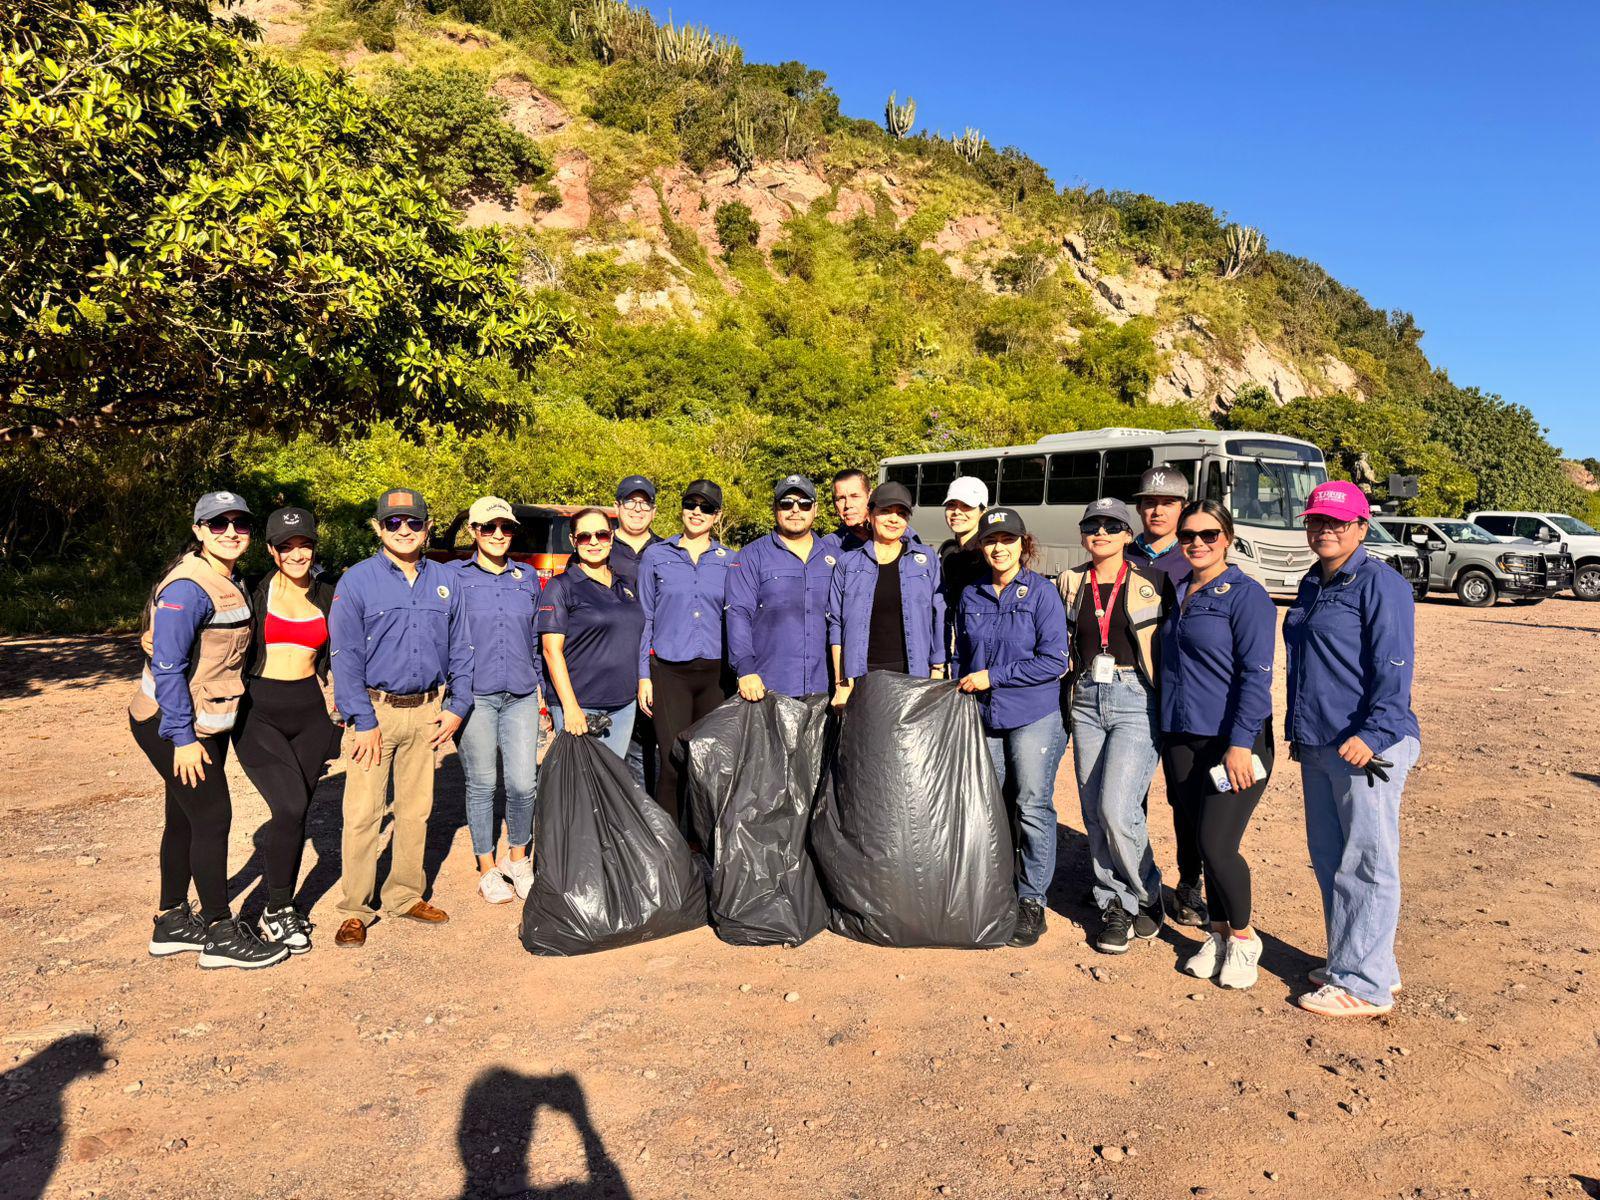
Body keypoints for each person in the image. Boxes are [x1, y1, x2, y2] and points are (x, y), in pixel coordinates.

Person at [130, 491, 289, 969]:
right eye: (218, 525)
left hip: (203, 721)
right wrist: (181, 738)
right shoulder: (189, 587)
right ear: (199, 530)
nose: (231, 533)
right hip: (174, 722)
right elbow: (168, 666)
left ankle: (172, 920)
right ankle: (220, 930)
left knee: (183, 817)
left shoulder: (228, 578)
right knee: (213, 817)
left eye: (240, 524)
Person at [1284, 482, 1421, 1018]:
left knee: (1366, 862)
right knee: (1330, 859)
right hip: (1320, 742)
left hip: (1366, 744)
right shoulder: (1312, 582)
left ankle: (1362, 985)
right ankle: (1362, 959)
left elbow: (1395, 667)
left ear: (1362, 527)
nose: (1324, 530)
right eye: (1316, 521)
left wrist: (1374, 734)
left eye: (1337, 523)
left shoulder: (1380, 584)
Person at [329, 488, 474, 948]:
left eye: (413, 522)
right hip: (374, 713)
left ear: (427, 527)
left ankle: (406, 895)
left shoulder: (447, 581)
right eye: (394, 523)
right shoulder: (357, 582)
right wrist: (361, 718)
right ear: (378, 528)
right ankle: (356, 908)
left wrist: (456, 707)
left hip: (428, 712)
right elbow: (344, 655)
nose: (405, 530)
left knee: (416, 811)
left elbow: (463, 649)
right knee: (362, 814)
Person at [1158, 501, 1277, 989]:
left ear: (1227, 537)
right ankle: (1220, 933)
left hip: (1232, 741)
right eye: (1188, 535)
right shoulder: (1179, 589)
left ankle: (1246, 939)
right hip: (1182, 736)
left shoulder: (1246, 596)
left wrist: (1240, 744)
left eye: (1209, 534)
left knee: (1218, 844)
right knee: (1196, 839)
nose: (1197, 543)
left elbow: (1256, 675)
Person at [953, 508, 1071, 948]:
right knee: (990, 805)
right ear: (981, 547)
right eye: (990, 540)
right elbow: (962, 654)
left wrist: (994, 676)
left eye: (1008, 539)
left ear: (1024, 544)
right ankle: (997, 890)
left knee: (1031, 805)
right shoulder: (972, 595)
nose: (999, 547)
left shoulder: (1041, 593)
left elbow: (1053, 660)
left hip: (1033, 714)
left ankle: (1031, 900)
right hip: (985, 714)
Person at [1057, 496, 1166, 955]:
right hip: (1085, 697)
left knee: (1118, 807)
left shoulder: (1153, 581)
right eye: (1092, 525)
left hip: (1135, 699)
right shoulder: (1070, 581)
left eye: (1111, 525)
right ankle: (1113, 904)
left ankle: (1147, 892)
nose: (1100, 533)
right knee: (1091, 807)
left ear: (1127, 534)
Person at [235, 506, 341, 954]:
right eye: (286, 546)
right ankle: (277, 909)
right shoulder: (251, 593)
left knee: (295, 814)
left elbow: (352, 645)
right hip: (258, 713)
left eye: (304, 545)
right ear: (271, 550)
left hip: (311, 718)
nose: (297, 554)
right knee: (290, 804)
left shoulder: (329, 594)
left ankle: (282, 907)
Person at [451, 497, 544, 906]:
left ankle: (517, 859)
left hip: (522, 692)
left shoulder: (527, 578)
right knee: (483, 783)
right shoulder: (454, 577)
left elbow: (538, 639)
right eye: (489, 528)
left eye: (505, 528)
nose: (498, 535)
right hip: (477, 696)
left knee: (524, 783)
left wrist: (542, 689)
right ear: (474, 531)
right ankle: (487, 868)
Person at [637, 480, 732, 823]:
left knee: (708, 762)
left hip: (715, 675)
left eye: (706, 507)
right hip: (669, 672)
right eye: (691, 505)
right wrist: (643, 675)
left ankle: (702, 841)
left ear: (716, 516)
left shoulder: (729, 561)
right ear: (681, 509)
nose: (697, 512)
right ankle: (670, 846)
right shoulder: (657, 556)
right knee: (673, 761)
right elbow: (645, 617)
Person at [827, 481, 947, 706]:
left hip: (913, 675)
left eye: (901, 513)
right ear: (870, 514)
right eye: (885, 511)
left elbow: (938, 615)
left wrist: (937, 673)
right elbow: (836, 624)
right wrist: (841, 684)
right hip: (862, 676)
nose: (894, 519)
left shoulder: (925, 560)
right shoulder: (847, 563)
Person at [540, 507, 645, 760]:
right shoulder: (561, 587)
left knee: (609, 785)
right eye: (585, 536)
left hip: (623, 705)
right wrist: (570, 707)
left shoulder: (626, 586)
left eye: (602, 535)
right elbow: (550, 651)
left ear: (611, 538)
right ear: (573, 542)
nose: (594, 542)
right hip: (581, 704)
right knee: (580, 787)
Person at [726, 475, 839, 701]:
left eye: (804, 504)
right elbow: (738, 613)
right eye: (787, 503)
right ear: (775, 508)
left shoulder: (836, 557)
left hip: (824, 686)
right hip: (769, 687)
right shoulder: (750, 556)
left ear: (815, 509)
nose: (795, 510)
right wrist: (745, 669)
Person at [607, 475, 663, 792]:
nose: (637, 509)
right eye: (630, 501)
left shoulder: (668, 549)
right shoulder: (599, 545)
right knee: (615, 750)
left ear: (654, 511)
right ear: (617, 506)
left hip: (654, 664)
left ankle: (646, 821)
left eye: (645, 503)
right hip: (611, 663)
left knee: (648, 747)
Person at [939, 476, 990, 627]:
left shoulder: (992, 556)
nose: (957, 512)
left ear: (983, 511)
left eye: (966, 506)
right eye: (951, 504)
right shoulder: (948, 554)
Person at [1131, 466, 1192, 585]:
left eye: (1168, 503)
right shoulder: (1119, 557)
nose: (1158, 512)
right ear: (1139, 508)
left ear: (1184, 509)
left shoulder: (1193, 558)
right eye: (1150, 503)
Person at [831, 468, 872, 551]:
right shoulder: (830, 546)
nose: (848, 505)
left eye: (855, 496)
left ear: (870, 496)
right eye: (841, 498)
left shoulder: (892, 534)